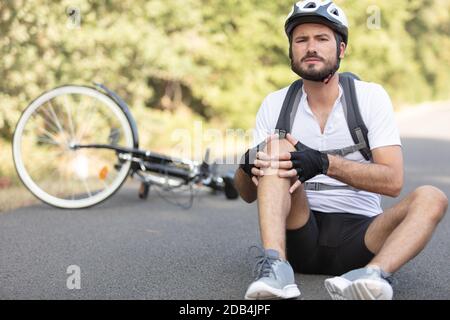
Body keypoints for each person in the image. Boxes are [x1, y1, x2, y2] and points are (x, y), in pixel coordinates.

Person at [234, 0, 448, 300]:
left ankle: (372, 276)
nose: (311, 47)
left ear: (341, 49)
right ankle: (276, 269)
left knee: (432, 197)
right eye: (301, 40)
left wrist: (323, 163)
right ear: (291, 50)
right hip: (299, 230)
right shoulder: (275, 103)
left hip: (362, 237)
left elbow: (393, 182)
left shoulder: (370, 98)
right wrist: (246, 163)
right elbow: (246, 193)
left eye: (322, 39)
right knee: (276, 145)